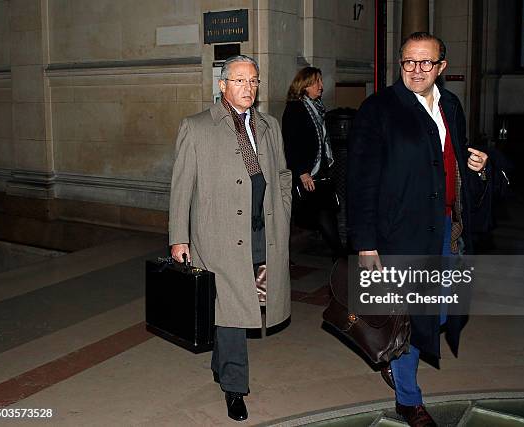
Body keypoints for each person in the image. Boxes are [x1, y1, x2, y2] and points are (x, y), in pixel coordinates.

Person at [347, 32, 489, 427]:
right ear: (400, 63)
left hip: (445, 226)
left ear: (441, 66)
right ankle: (409, 400)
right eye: (409, 61)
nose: (417, 69)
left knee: (443, 310)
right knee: (409, 316)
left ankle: (395, 364)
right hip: (399, 233)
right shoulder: (378, 109)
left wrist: (477, 166)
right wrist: (366, 244)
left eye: (426, 62)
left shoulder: (452, 106)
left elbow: (455, 160)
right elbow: (360, 182)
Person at [168, 55, 292, 422]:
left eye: (253, 81)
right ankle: (235, 388)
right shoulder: (196, 127)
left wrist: (282, 212)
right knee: (233, 309)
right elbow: (181, 189)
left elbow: (282, 174)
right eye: (239, 81)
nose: (248, 88)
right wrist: (179, 237)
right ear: (222, 86)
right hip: (218, 235)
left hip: (262, 231)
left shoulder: (269, 126)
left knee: (245, 301)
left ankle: (220, 362)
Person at [282, 67, 345, 261]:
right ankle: (339, 253)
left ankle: (338, 252)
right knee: (320, 212)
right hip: (306, 171)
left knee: (324, 210)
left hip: (320, 170)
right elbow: (291, 142)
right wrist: (302, 172)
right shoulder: (296, 108)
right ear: (305, 85)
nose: (321, 86)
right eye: (317, 82)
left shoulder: (317, 107)